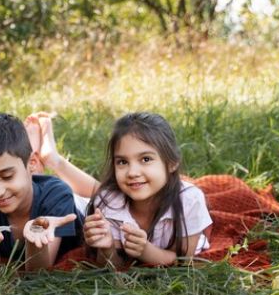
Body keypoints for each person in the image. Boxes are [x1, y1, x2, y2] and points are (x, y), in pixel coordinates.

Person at [0, 112, 82, 273]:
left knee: (103, 192)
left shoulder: (57, 196)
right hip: (29, 181)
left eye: (7, 176)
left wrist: (34, 238)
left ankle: (48, 151)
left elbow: (39, 272)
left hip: (81, 203)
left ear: (31, 163)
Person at [83, 112, 212, 266]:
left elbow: (185, 262)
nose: (132, 173)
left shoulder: (189, 200)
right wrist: (107, 248)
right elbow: (113, 267)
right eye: (122, 162)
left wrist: (146, 252)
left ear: (172, 162)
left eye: (146, 159)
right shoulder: (109, 201)